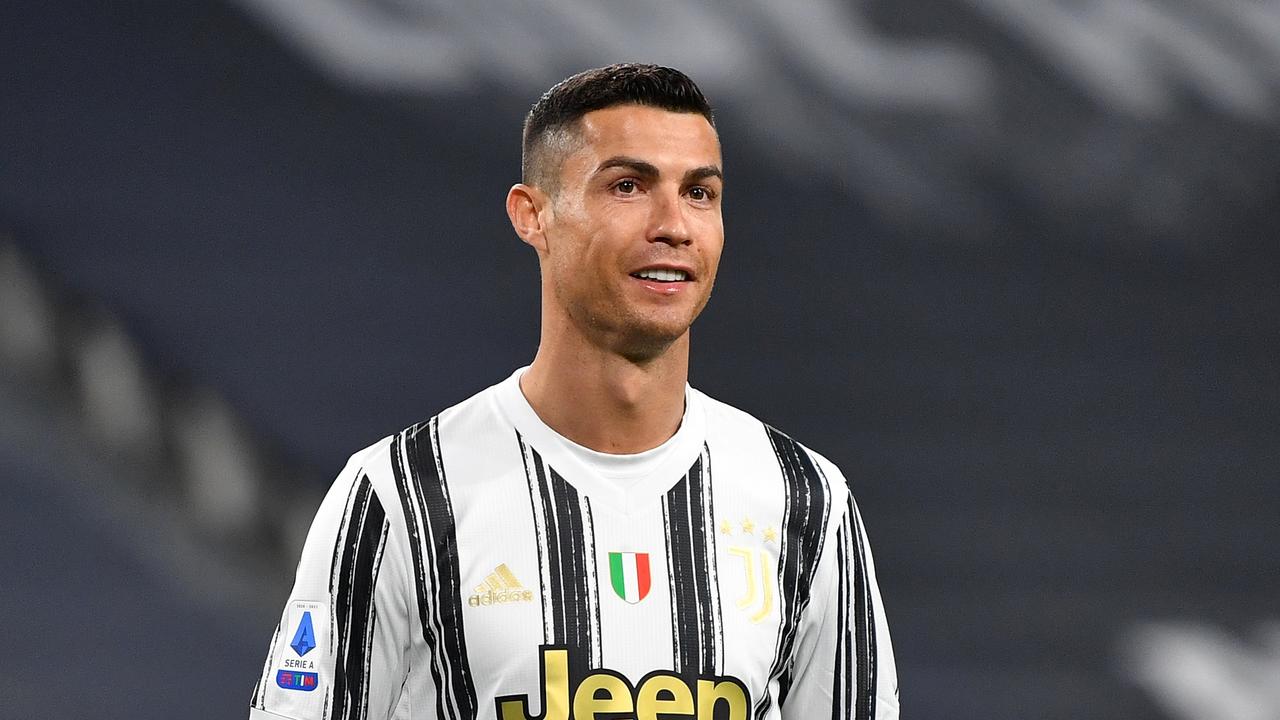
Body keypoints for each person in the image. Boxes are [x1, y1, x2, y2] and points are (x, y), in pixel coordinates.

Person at [249, 63, 898, 720]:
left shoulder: (805, 501)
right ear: (533, 216)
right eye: (628, 186)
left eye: (700, 193)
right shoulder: (402, 495)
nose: (675, 224)